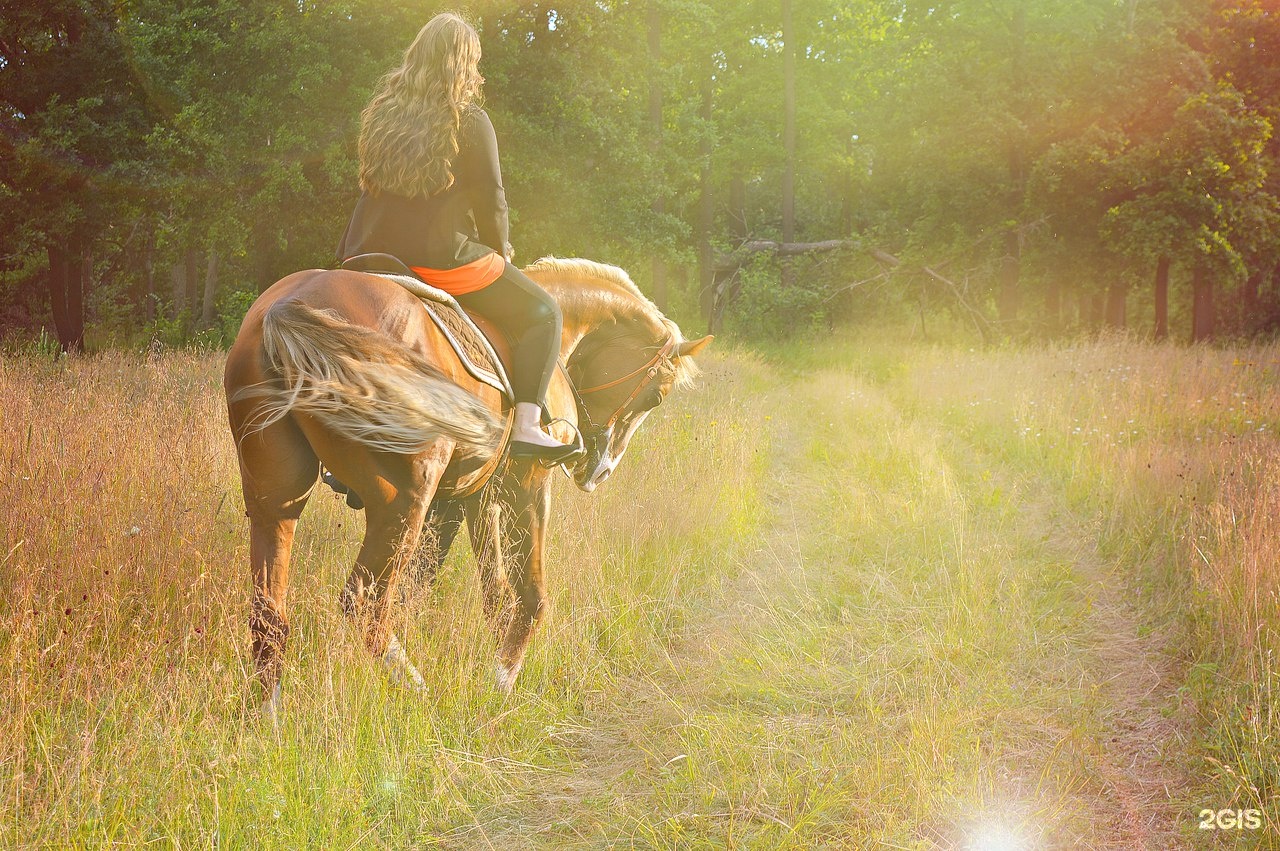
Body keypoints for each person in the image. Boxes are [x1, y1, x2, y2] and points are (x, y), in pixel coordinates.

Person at [337, 12, 576, 463]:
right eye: (475, 63)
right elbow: (493, 199)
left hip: (367, 254)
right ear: (461, 64)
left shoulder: (382, 116)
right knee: (544, 312)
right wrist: (500, 250)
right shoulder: (468, 120)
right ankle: (526, 426)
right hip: (438, 260)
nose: (478, 73)